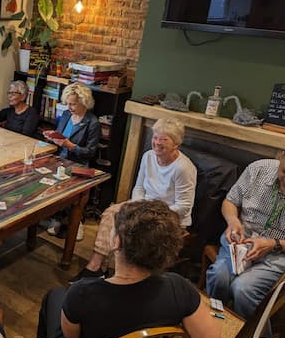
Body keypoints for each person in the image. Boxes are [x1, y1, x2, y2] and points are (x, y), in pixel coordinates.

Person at [37, 200, 220, 338]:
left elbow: (71, 336)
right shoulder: (179, 288)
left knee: (55, 295)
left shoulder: (83, 292)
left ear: (117, 242)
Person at [71, 117, 197, 282]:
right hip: (144, 205)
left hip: (170, 214)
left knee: (133, 224)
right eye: (155, 137)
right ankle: (97, 265)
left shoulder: (183, 168)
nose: (157, 143)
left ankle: (110, 272)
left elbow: (184, 207)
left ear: (176, 144)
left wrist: (149, 211)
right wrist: (140, 206)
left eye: (164, 139)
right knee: (111, 213)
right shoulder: (148, 156)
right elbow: (138, 188)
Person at [206, 142, 285, 319]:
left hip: (282, 252)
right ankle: (218, 320)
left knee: (243, 288)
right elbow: (230, 201)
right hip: (242, 241)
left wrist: (275, 244)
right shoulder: (258, 169)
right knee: (219, 277)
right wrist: (233, 220)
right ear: (281, 158)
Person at [43, 83, 100, 238]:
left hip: (78, 164)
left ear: (84, 102)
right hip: (60, 158)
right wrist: (53, 136)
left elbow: (90, 153)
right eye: (67, 103)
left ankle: (77, 222)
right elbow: (61, 135)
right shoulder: (67, 115)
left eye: (73, 104)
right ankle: (57, 217)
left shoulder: (93, 123)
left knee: (72, 194)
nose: (69, 107)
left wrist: (71, 146)